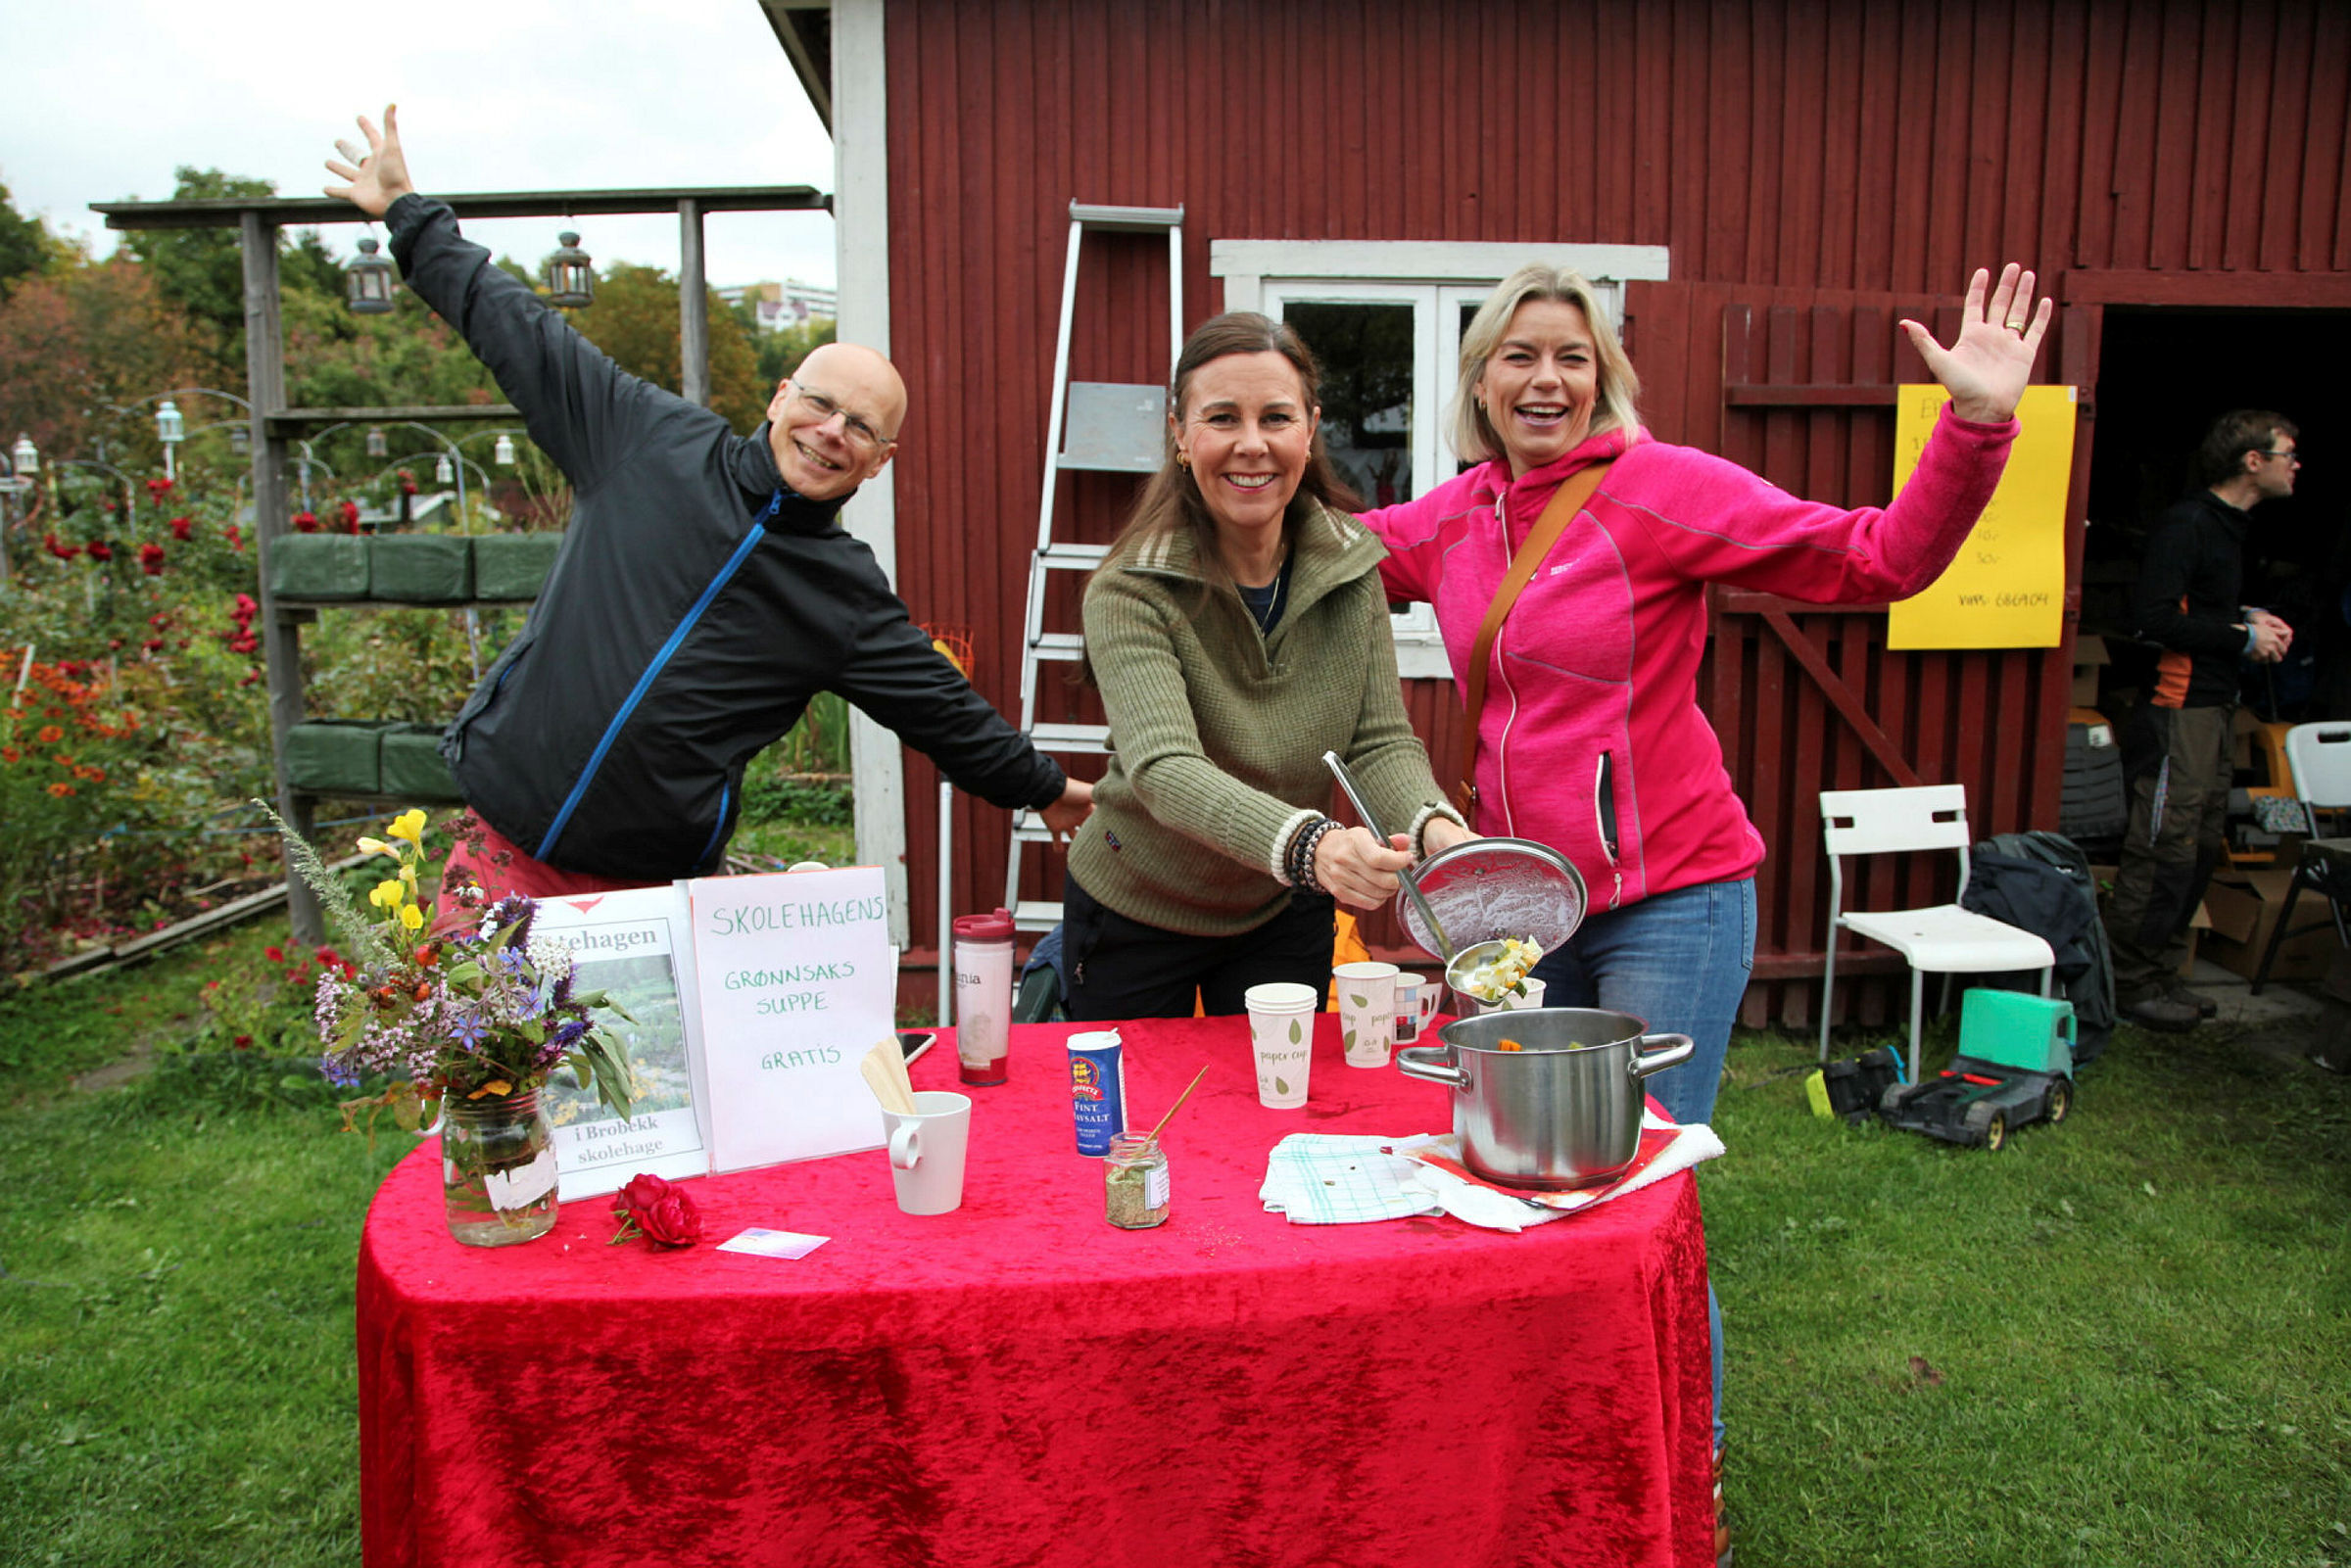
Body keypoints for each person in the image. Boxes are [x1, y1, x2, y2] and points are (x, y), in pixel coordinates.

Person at [1359, 259, 2052, 1549]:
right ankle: (1546, 1455)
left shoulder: (1662, 491)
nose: (1545, 377)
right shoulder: (1451, 521)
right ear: (1481, 383)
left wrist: (1975, 426)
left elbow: (1877, 559)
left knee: (1637, 1189)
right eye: (1519, 355)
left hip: (1670, 898)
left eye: (1572, 354)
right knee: (1506, 1182)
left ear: (1606, 376)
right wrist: (1228, 480)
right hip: (1521, 916)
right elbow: (1312, 558)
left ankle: (1690, 1476)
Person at [322, 107, 1089, 899]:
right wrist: (411, 218)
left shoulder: (842, 594)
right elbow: (523, 334)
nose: (831, 432)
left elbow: (944, 711)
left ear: (880, 463)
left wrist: (1043, 789)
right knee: (464, 1028)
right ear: (779, 395)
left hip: (645, 887)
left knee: (612, 1034)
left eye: (861, 428)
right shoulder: (648, 442)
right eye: (821, 403)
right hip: (496, 844)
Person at [1061, 312, 1470, 1019]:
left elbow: (1376, 739)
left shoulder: (1352, 569)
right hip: (1136, 906)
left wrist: (1438, 831)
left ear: (1309, 431)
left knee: (1274, 1108)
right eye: (1223, 418)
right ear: (1181, 436)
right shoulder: (1131, 588)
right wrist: (1314, 845)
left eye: (1276, 418)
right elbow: (1164, 768)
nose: (1252, 445)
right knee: (1131, 1126)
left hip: (1277, 908)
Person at [2105, 410, 2299, 1031]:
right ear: (2252, 461)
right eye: (2287, 453)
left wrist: (2249, 617)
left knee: (2196, 849)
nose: (2296, 464)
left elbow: (2203, 605)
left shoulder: (2231, 529)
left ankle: (2161, 973)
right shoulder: (2187, 524)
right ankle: (2128, 982)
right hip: (2178, 708)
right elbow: (2152, 620)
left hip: (2216, 706)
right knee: (2164, 845)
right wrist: (2241, 637)